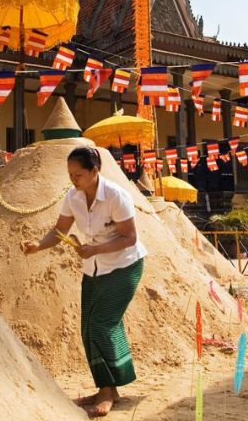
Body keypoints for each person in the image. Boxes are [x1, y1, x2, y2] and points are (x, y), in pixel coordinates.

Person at [22, 146, 147, 418]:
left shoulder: (116, 196)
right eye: (70, 174)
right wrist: (38, 246)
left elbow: (130, 238)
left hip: (125, 265)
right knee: (87, 328)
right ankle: (107, 389)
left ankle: (108, 391)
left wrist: (95, 250)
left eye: (78, 174)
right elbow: (59, 232)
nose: (73, 179)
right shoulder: (72, 197)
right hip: (93, 268)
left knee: (102, 323)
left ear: (94, 171)